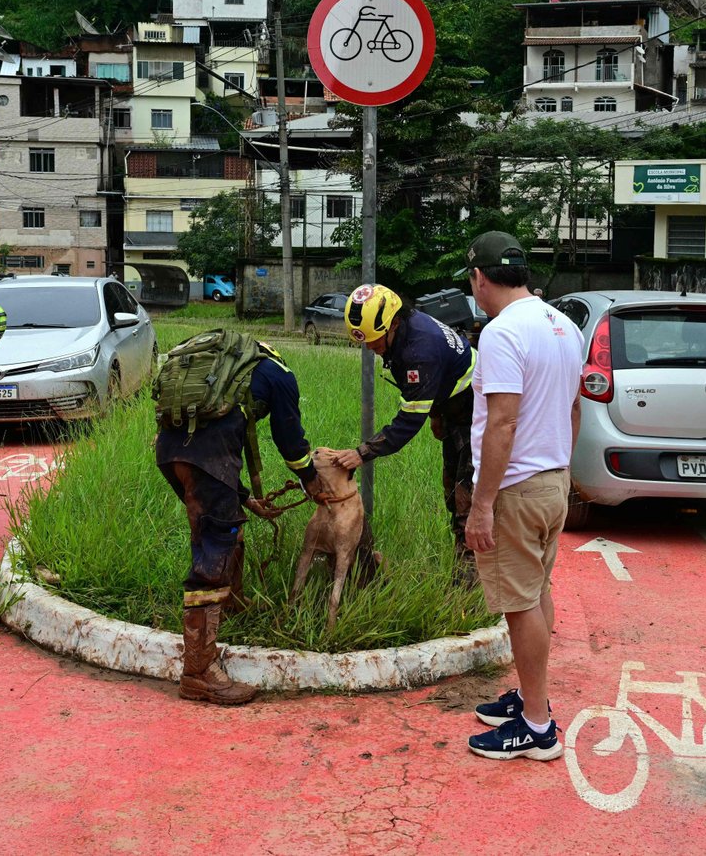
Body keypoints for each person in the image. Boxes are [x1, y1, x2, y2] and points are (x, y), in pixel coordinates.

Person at [457, 231, 584, 761]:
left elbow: (502, 422)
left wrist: (482, 504)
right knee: (536, 592)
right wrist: (561, 470)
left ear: (480, 279)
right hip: (553, 479)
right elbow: (575, 409)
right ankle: (535, 699)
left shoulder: (503, 333)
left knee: (519, 604)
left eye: (472, 282)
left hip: (516, 487)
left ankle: (536, 726)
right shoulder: (564, 326)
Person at [155, 340, 324, 706]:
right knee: (212, 555)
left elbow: (214, 445)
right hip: (206, 461)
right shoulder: (280, 376)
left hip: (170, 454)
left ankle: (231, 603)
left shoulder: (216, 366)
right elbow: (291, 443)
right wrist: (312, 481)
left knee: (223, 524)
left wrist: (245, 497)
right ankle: (199, 672)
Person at [330, 284, 477, 577]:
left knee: (467, 498)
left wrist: (363, 452)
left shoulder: (418, 351)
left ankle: (470, 580)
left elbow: (408, 421)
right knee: (451, 488)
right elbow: (435, 386)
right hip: (453, 406)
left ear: (394, 323)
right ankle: (466, 564)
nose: (371, 348)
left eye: (374, 341)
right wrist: (437, 416)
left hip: (477, 413)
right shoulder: (407, 329)